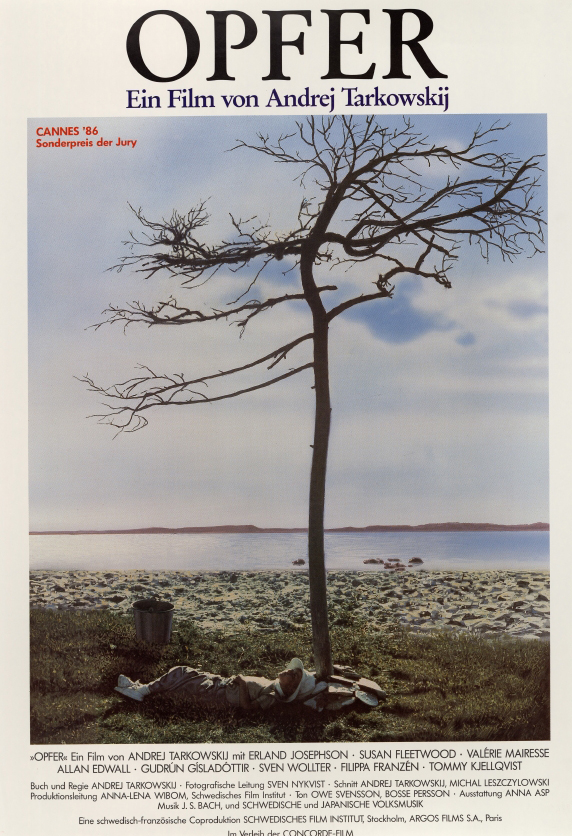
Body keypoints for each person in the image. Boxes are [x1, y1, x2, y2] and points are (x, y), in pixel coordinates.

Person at [114, 657, 328, 710]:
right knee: (184, 675)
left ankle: (142, 690)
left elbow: (248, 709)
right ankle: (140, 688)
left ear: (292, 687)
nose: (289, 670)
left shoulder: (273, 696)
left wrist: (242, 685)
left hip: (219, 694)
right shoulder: (274, 685)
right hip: (221, 684)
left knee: (181, 673)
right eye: (292, 670)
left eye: (293, 675)